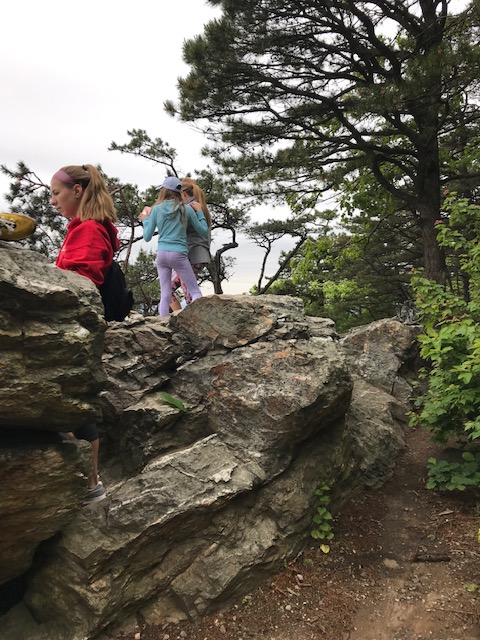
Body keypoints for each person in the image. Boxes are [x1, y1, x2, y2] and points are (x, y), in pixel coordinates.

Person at [51, 163, 119, 505]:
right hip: (74, 328)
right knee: (72, 404)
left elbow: (82, 282)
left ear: (77, 191)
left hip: (74, 329)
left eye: (56, 193)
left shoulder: (89, 230)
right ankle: (87, 484)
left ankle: (91, 483)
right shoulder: (83, 228)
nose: (53, 201)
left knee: (73, 405)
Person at [139, 176, 208, 317]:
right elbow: (203, 231)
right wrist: (200, 212)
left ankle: (162, 324)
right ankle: (197, 321)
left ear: (164, 191)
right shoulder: (186, 209)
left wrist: (145, 220)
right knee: (194, 291)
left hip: (162, 254)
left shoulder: (156, 209)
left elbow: (147, 236)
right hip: (179, 255)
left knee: (165, 294)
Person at [169, 178, 212, 310]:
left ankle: (193, 317)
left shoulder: (189, 208)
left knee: (188, 292)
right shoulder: (199, 207)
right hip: (199, 254)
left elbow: (178, 230)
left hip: (191, 255)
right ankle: (180, 317)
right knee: (172, 287)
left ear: (183, 194)